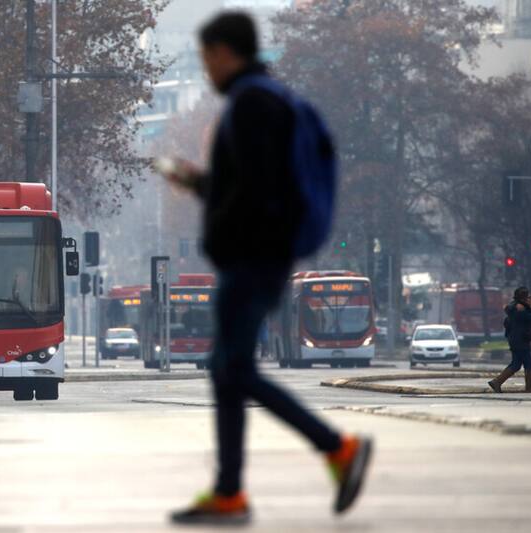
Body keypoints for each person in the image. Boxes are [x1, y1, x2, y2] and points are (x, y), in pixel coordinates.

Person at [158, 12, 372, 526]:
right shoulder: (264, 100)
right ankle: (230, 490)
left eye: (207, 57)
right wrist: (201, 184)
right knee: (227, 370)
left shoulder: (253, 104)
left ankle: (336, 448)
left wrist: (227, 228)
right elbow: (250, 186)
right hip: (259, 255)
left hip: (253, 259)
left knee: (232, 368)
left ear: (226, 52)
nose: (206, 68)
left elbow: (257, 192)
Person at [488, 287, 531, 393]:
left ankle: (497, 382)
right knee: (527, 363)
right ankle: (528, 387)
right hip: (520, 340)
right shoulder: (520, 308)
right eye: (528, 297)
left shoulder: (515, 306)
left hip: (517, 340)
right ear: (523, 298)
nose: (530, 299)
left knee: (517, 364)